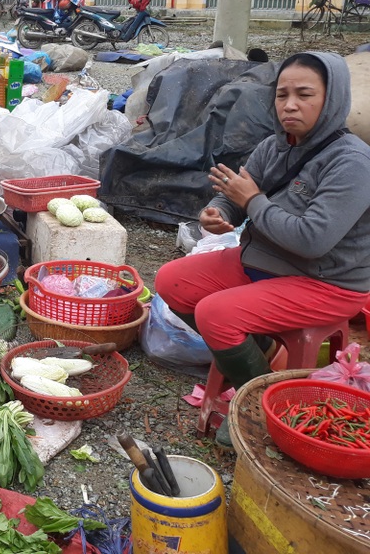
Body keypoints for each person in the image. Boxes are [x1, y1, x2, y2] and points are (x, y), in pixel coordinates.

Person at [154, 51, 370, 447]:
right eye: (282, 94)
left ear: (333, 98)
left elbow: (312, 240)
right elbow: (236, 200)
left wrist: (252, 201)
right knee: (172, 281)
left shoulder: (353, 163)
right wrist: (218, 213)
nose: (290, 105)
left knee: (215, 313)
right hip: (266, 260)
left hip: (325, 281)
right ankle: (262, 351)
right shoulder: (274, 147)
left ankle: (266, 410)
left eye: (304, 94)